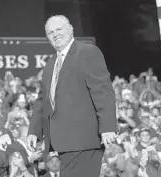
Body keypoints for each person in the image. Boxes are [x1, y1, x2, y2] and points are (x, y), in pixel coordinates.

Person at [27, 15, 117, 177]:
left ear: (71, 29)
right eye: (50, 32)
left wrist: (108, 127)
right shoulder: (50, 64)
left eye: (59, 29)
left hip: (84, 140)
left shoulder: (88, 52)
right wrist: (33, 130)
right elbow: (42, 101)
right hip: (63, 142)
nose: (55, 34)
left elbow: (102, 90)